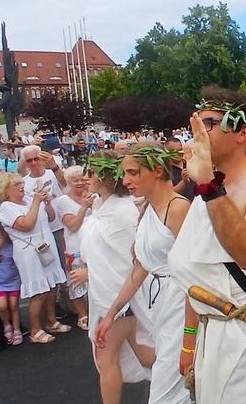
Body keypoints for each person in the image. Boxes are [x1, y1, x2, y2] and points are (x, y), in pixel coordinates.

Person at [168, 86, 246, 403]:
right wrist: (189, 341)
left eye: (208, 123)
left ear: (241, 132)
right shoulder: (205, 192)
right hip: (211, 334)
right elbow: (195, 275)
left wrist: (208, 184)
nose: (198, 132)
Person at [96, 145, 191, 404]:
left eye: (133, 173)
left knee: (167, 389)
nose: (125, 180)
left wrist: (190, 338)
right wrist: (111, 313)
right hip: (159, 306)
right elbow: (140, 269)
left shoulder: (179, 209)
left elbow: (197, 276)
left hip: (182, 306)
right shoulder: (147, 210)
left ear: (158, 171)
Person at [79, 152, 155, 404]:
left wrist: (89, 273)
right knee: (144, 354)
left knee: (107, 358)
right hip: (110, 295)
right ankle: (189, 375)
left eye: (90, 172)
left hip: (117, 296)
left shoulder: (122, 212)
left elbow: (131, 260)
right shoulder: (102, 206)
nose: (85, 177)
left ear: (104, 175)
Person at [0, 172, 69, 344]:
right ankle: (36, 330)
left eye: (21, 182)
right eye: (16, 184)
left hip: (45, 246)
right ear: (6, 190)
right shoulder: (7, 207)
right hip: (29, 251)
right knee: (39, 291)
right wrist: (36, 202)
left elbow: (50, 218)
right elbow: (26, 225)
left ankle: (51, 322)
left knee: (51, 287)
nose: (22, 186)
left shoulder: (29, 199)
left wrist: (47, 203)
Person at [56, 166, 92, 330]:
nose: (80, 183)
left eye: (82, 179)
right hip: (75, 246)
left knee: (94, 279)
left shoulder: (94, 195)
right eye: (75, 180)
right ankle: (82, 314)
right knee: (76, 282)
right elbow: (73, 226)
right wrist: (84, 207)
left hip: (92, 245)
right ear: (68, 182)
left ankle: (94, 311)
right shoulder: (63, 201)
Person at [0, 223, 22, 345]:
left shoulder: (10, 246)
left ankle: (17, 330)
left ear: (3, 236)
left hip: (14, 281)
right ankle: (7, 325)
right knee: (1, 306)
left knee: (13, 306)